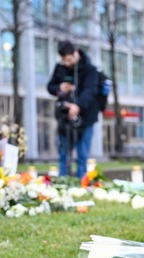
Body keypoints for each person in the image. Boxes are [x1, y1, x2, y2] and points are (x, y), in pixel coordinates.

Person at [47, 40, 101, 179]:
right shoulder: (60, 69)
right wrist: (60, 88)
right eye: (64, 60)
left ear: (75, 53)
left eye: (69, 59)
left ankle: (81, 182)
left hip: (86, 117)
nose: (67, 63)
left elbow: (90, 91)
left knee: (83, 154)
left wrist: (78, 106)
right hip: (64, 120)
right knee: (63, 153)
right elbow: (50, 87)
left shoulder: (90, 70)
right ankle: (63, 181)